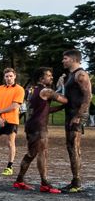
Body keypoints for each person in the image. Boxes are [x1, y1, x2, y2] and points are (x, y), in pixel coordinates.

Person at [13, 67, 62, 193]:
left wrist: (59, 108)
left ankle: (19, 181)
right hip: (39, 127)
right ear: (41, 78)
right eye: (49, 75)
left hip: (32, 125)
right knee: (42, 153)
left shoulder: (34, 90)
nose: (51, 77)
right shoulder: (47, 91)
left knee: (31, 153)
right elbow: (65, 100)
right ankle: (44, 183)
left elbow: (43, 110)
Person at [56, 49, 91, 192]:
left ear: (73, 59)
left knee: (73, 147)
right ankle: (75, 180)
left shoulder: (81, 75)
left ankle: (77, 183)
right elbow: (66, 97)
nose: (63, 61)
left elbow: (88, 96)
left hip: (76, 116)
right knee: (71, 147)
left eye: (65, 58)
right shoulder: (70, 75)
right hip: (70, 114)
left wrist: (78, 116)